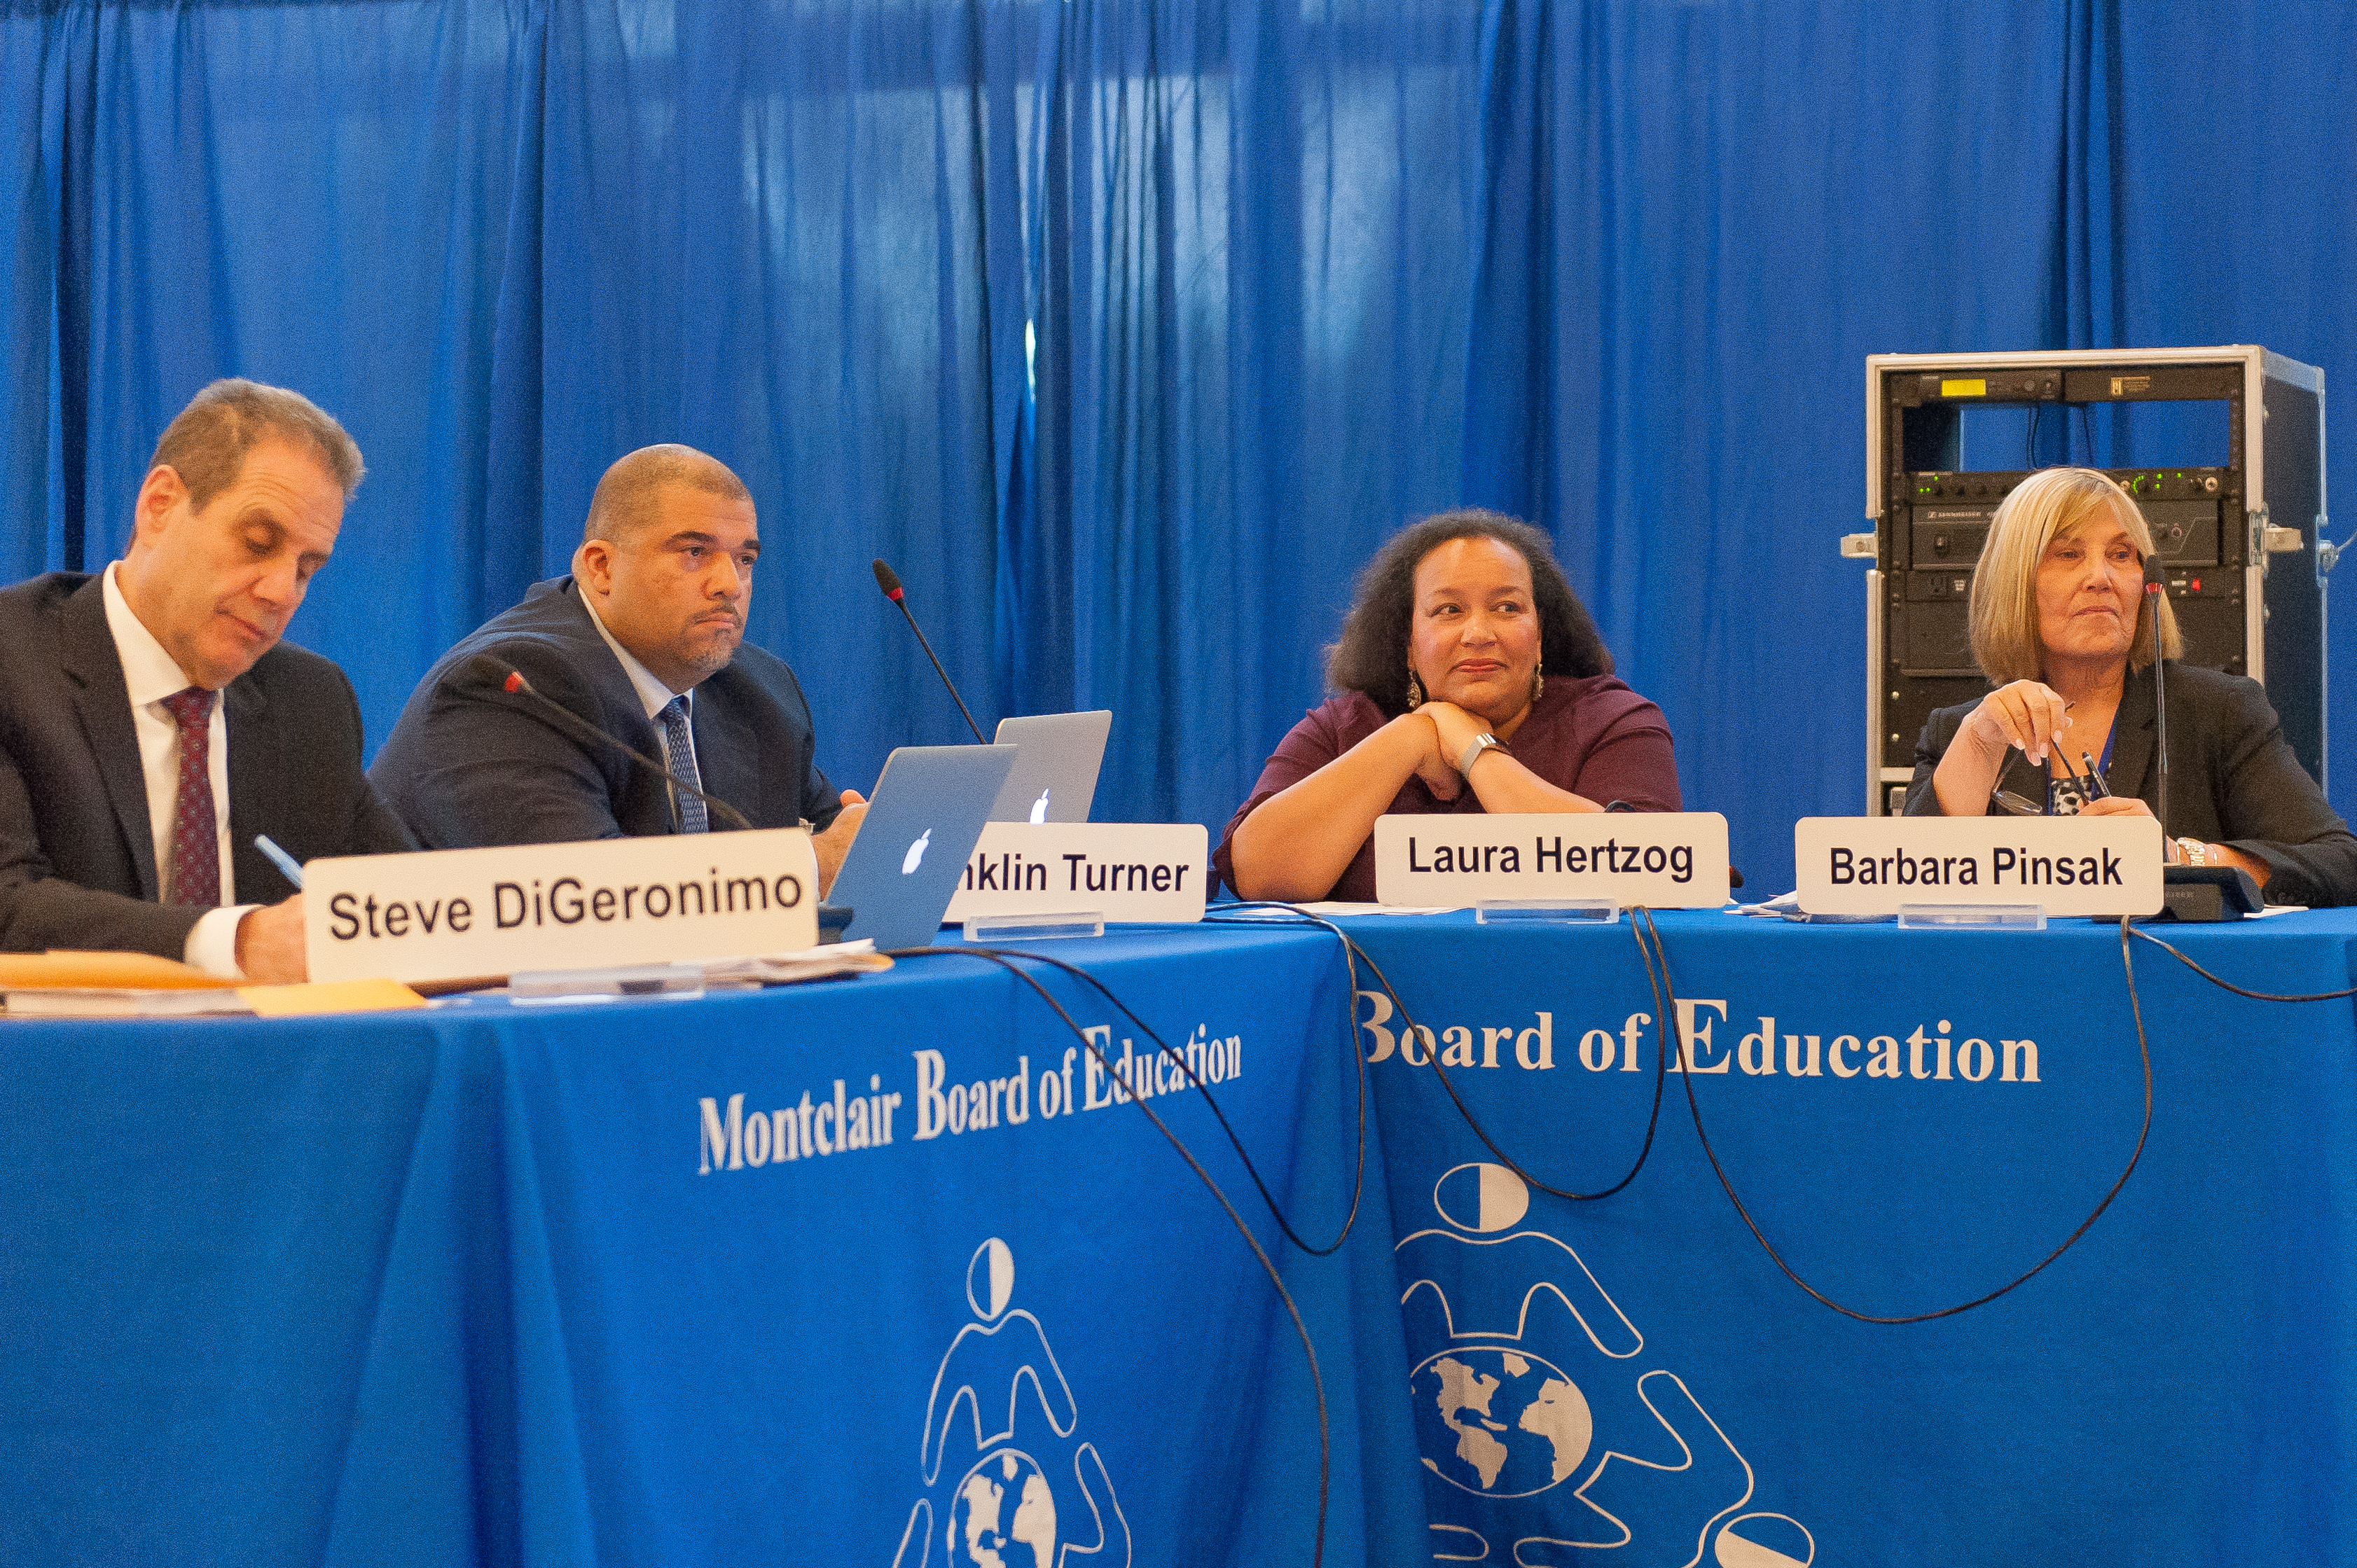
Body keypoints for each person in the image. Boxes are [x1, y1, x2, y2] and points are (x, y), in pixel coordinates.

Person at [0, 378, 413, 982]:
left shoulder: (310, 703)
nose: (280, 591)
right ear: (160, 504)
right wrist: (236, 941)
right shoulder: (13, 660)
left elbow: (411, 907)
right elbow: (9, 904)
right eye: (257, 543)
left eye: (305, 569)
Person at [371, 444, 868, 892]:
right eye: (695, 552)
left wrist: (865, 844)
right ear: (601, 568)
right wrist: (808, 864)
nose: (730, 584)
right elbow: (587, 896)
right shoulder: (510, 685)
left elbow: (841, 842)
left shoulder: (759, 690)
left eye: (744, 559)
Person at [1904, 465, 2357, 906]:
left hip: (2163, 978)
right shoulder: (1958, 732)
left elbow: (2339, 863)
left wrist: (2181, 858)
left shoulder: (2216, 711)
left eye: (2121, 555)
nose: (2100, 578)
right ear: (2014, 583)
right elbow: (1903, 885)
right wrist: (1980, 744)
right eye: (2068, 554)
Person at [1215, 509, 1680, 903]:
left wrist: (1473, 749)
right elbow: (1259, 876)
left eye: (1507, 608)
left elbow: (1653, 869)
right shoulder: (1343, 728)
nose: (1478, 633)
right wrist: (1413, 734)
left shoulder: (1612, 720)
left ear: (1539, 638)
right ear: (1409, 647)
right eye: (1448, 611)